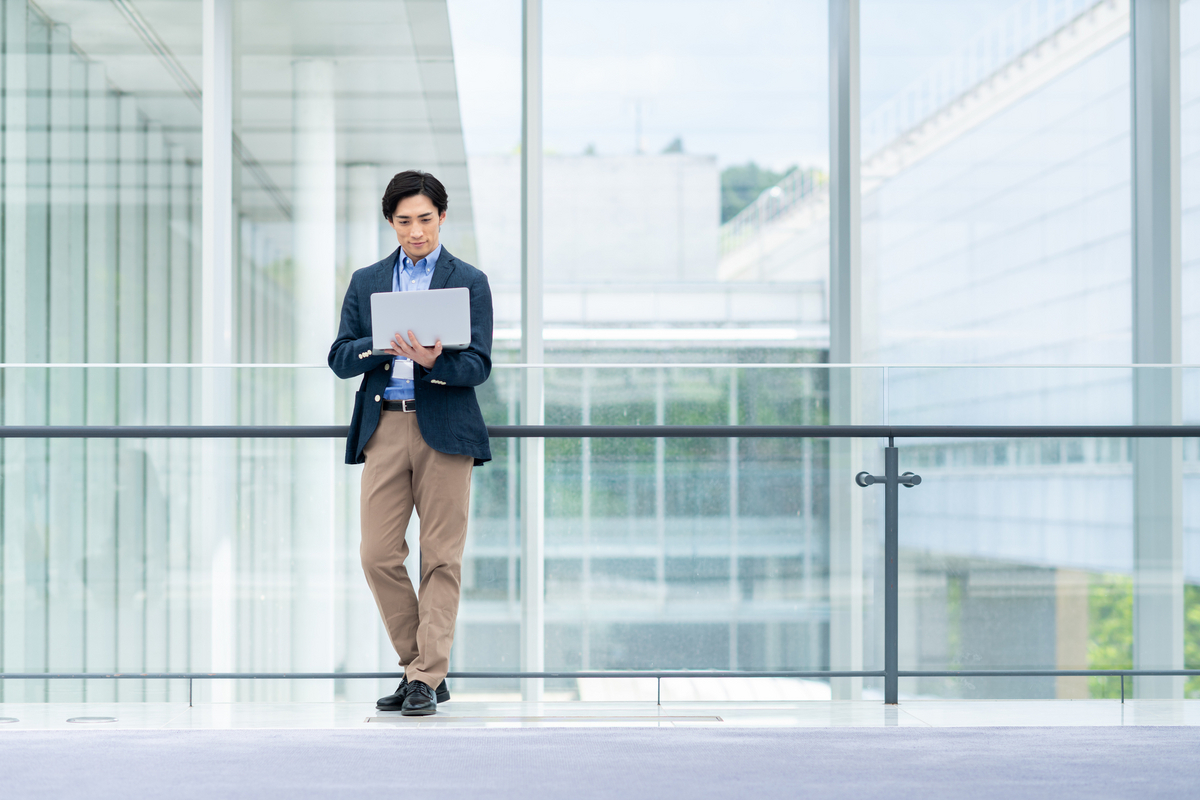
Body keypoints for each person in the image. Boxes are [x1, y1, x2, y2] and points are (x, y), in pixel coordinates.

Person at [328, 170, 493, 716]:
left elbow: (479, 365)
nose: (415, 231)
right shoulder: (368, 279)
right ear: (391, 223)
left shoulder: (468, 280)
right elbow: (339, 357)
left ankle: (423, 677)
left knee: (441, 557)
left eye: (425, 219)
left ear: (442, 217)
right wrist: (380, 347)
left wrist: (433, 362)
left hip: (444, 425)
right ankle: (420, 665)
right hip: (385, 426)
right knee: (376, 554)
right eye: (404, 221)